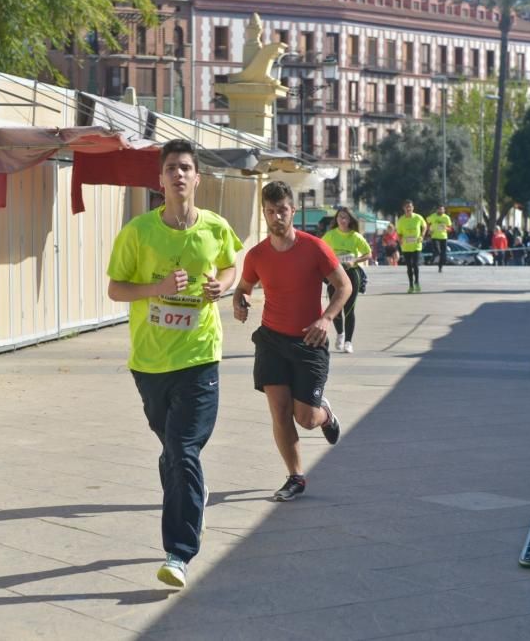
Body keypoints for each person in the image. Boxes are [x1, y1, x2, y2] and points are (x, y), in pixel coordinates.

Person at [106, 138, 242, 588]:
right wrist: (157, 287)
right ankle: (193, 499)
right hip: (149, 362)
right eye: (171, 168)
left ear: (197, 178)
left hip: (200, 356)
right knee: (172, 453)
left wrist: (220, 287)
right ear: (160, 179)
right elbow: (117, 289)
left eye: (186, 167)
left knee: (182, 449)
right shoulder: (138, 232)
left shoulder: (216, 228)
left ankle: (178, 552)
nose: (179, 174)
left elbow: (230, 266)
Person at [232, 180, 349, 502]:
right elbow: (243, 287)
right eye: (270, 212)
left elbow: (344, 286)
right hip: (270, 340)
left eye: (282, 210)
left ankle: (325, 413)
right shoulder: (256, 255)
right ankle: (295, 477)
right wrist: (238, 302)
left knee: (306, 419)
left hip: (308, 342)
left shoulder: (314, 247)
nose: (276, 218)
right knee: (279, 412)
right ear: (264, 214)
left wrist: (326, 319)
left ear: (293, 211)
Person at [321, 207, 373, 354]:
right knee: (335, 306)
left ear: (350, 220)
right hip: (335, 274)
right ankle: (340, 334)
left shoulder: (355, 236)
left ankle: (349, 342)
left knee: (349, 308)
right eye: (340, 217)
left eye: (345, 218)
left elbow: (368, 253)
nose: (343, 220)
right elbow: (320, 250)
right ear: (336, 219)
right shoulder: (330, 235)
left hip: (352, 273)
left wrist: (355, 260)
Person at [396, 200, 427, 292]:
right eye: (406, 207)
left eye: (410, 207)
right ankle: (411, 285)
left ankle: (417, 282)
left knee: (415, 265)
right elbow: (399, 233)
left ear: (413, 208)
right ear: (404, 208)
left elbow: (424, 226)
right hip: (406, 247)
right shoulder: (401, 220)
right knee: (409, 266)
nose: (408, 208)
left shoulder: (418, 217)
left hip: (416, 245)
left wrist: (422, 236)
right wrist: (400, 239)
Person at [426, 205, 453, 272]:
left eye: (442, 210)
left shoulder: (446, 218)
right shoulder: (433, 216)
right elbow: (427, 222)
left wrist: (446, 228)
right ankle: (432, 259)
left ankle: (440, 267)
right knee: (438, 251)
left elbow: (450, 229)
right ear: (437, 210)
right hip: (435, 236)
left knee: (443, 254)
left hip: (443, 237)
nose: (440, 211)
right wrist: (429, 229)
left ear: (444, 210)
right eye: (439, 209)